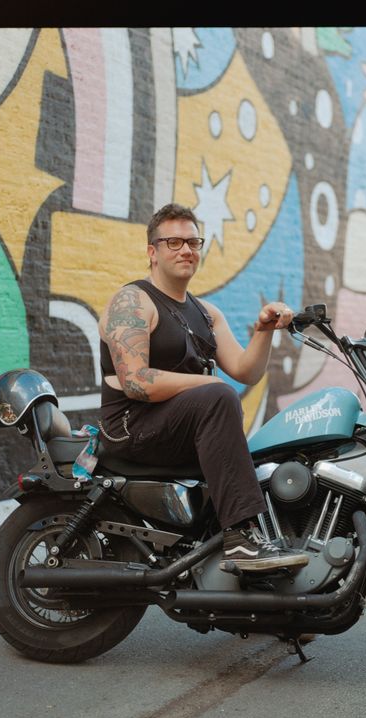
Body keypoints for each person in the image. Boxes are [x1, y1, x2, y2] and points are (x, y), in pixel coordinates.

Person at [97, 203, 309, 573]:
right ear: (152, 252)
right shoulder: (132, 301)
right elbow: (135, 382)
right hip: (132, 427)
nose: (186, 250)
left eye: (193, 241)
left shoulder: (207, 313)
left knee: (270, 453)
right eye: (173, 242)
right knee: (217, 395)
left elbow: (246, 371)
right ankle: (241, 542)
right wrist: (208, 382)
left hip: (175, 429)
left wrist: (264, 331)